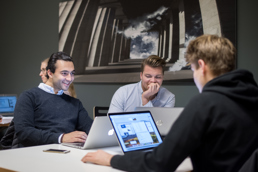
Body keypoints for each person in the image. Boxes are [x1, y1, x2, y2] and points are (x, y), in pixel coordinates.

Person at [81, 35, 258, 172]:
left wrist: (110, 160)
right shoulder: (251, 96)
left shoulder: (205, 104)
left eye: (193, 69)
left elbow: (158, 164)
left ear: (202, 66)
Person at [14, 52, 93, 147]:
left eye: (72, 73)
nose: (70, 78)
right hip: (37, 153)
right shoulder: (29, 97)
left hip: (68, 152)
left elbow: (91, 129)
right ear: (50, 73)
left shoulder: (75, 103)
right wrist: (61, 138)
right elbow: (24, 133)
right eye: (64, 73)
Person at [108, 55, 175, 113]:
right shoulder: (123, 92)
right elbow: (112, 122)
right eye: (148, 76)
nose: (153, 80)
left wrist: (145, 98)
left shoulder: (169, 98)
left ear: (162, 77)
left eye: (158, 77)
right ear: (141, 76)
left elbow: (160, 126)